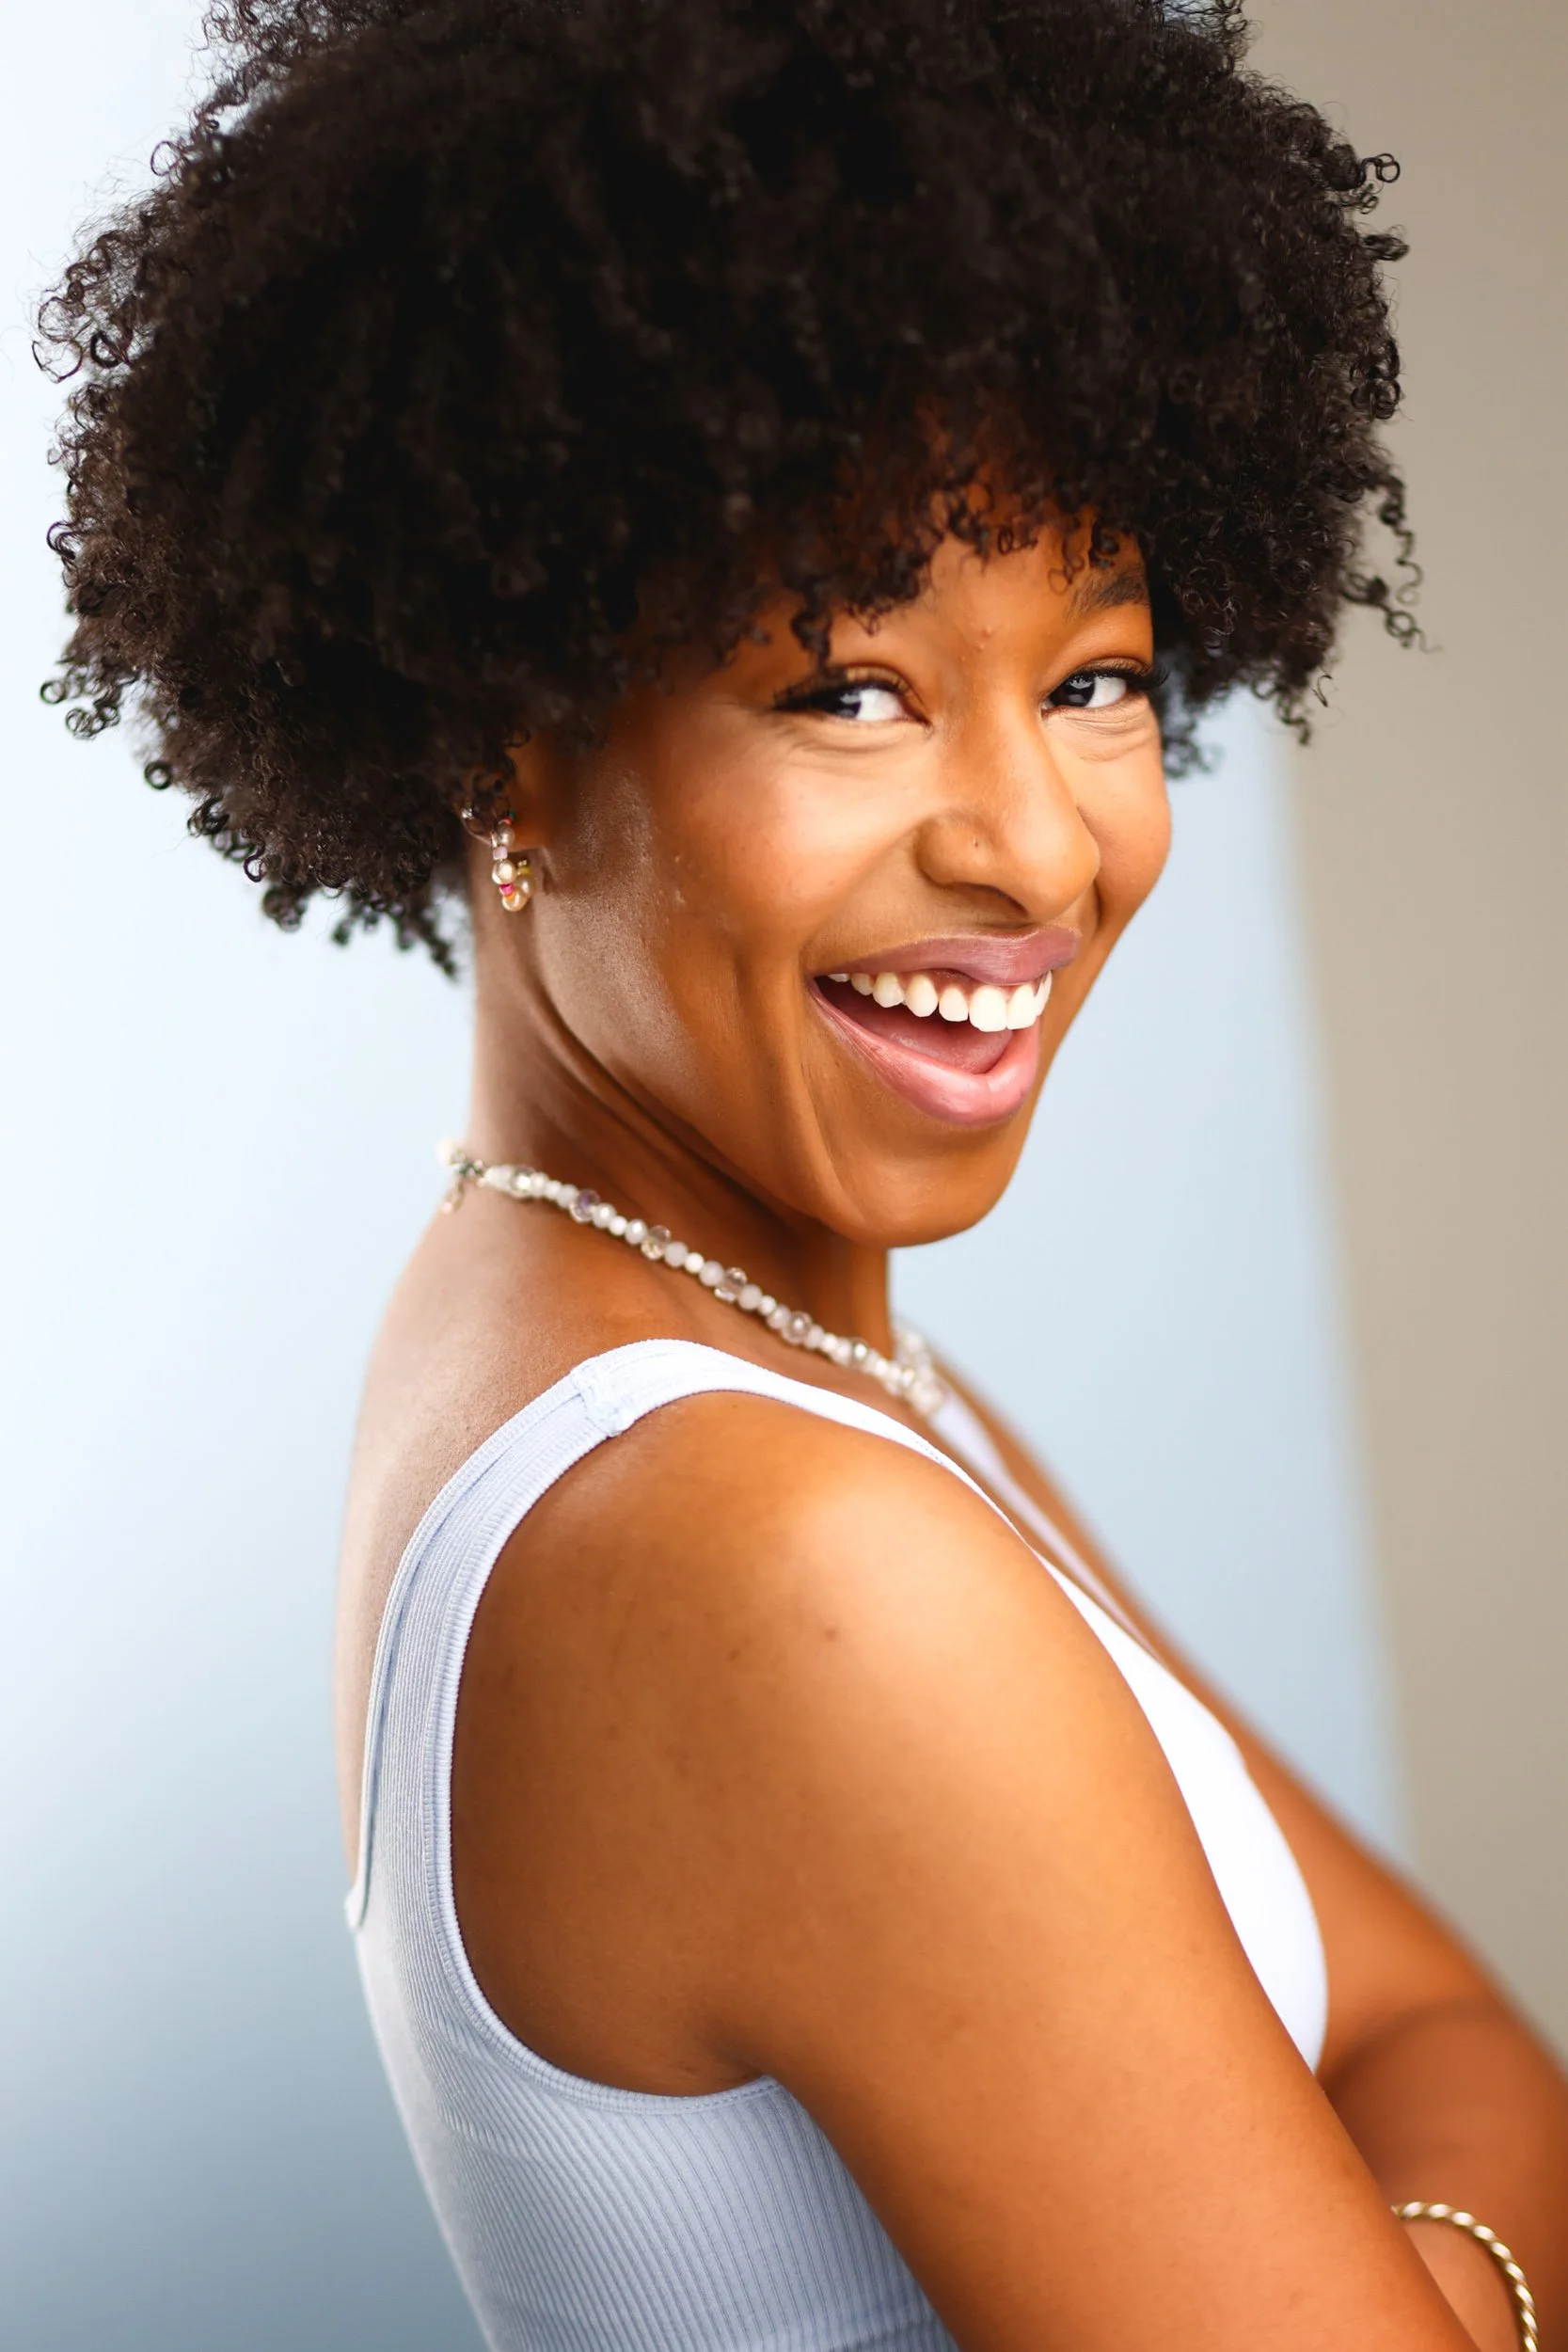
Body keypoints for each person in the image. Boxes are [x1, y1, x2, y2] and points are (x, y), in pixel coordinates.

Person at [40, 1, 1568, 2344]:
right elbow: (1466, 2087)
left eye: (1097, 676)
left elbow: (1436, 2033)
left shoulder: (699, 1332)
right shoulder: (782, 1556)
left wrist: (1413, 2241)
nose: (1037, 844)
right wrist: (1452, 2272)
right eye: (849, 691)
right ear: (508, 743)